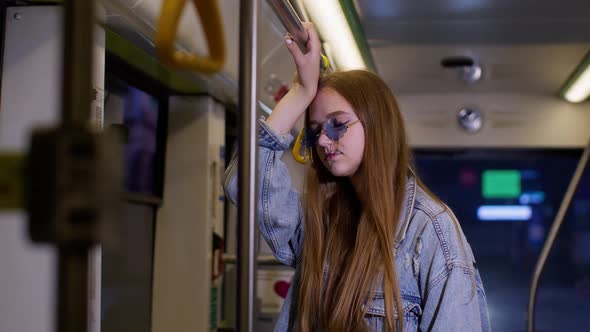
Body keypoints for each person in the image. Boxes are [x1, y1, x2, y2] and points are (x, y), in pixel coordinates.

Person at [224, 22, 490, 332]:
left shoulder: (430, 232)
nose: (323, 140)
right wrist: (300, 93)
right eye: (316, 131)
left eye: (337, 124)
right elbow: (242, 182)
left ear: (376, 125)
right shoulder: (322, 220)